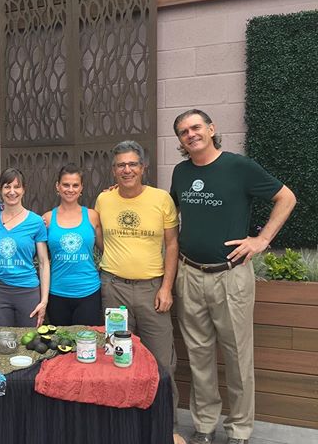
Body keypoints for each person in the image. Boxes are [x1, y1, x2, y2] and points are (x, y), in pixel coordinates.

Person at [170, 109, 296, 444]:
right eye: (183, 131)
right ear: (180, 141)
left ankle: (239, 430)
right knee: (199, 356)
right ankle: (205, 426)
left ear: (211, 129)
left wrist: (262, 240)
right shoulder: (181, 173)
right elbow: (169, 212)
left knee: (238, 356)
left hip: (230, 276)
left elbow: (286, 197)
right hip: (189, 273)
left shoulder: (239, 167)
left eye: (196, 127)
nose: (191, 134)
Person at [95, 140, 180, 418]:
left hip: (152, 290)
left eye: (132, 164)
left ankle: (167, 423)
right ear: (113, 170)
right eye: (121, 165)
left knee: (161, 362)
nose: (127, 170)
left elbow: (172, 245)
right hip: (114, 289)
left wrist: (166, 288)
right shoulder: (104, 199)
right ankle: (123, 421)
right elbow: (100, 239)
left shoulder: (161, 199)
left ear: (143, 167)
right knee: (116, 357)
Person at [42, 163, 103, 325]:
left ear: (81, 187)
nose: (70, 189)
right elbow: (40, 256)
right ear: (58, 186)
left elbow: (106, 249)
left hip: (88, 292)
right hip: (57, 293)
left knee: (86, 344)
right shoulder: (47, 219)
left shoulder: (92, 216)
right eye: (66, 185)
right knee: (62, 344)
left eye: (75, 185)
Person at [0, 168, 50, 327]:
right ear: (1, 190)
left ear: (24, 190)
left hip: (27, 291)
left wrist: (44, 301)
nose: (12, 192)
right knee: (2, 342)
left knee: (28, 341)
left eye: (17, 187)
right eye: (7, 187)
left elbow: (43, 263)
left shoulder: (36, 222)